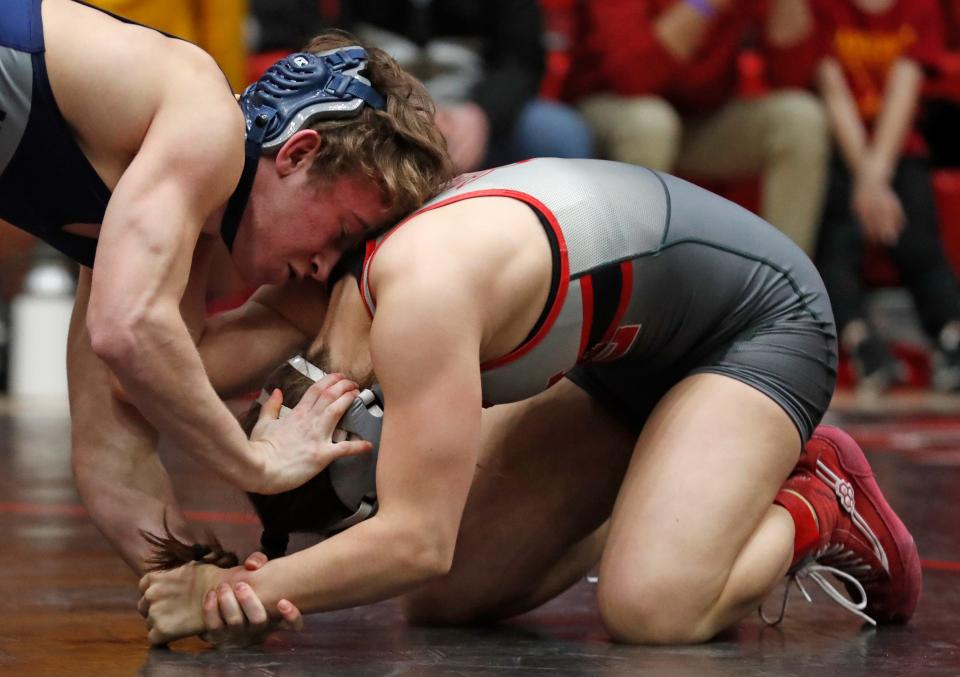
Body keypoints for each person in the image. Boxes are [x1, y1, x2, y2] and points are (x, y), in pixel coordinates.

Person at [137, 158, 920, 646]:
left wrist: (230, 593)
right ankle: (679, 495)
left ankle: (822, 497)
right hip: (630, 353)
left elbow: (414, 540)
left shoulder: (417, 298)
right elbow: (150, 353)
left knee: (654, 611)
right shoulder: (326, 293)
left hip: (755, 322)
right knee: (447, 601)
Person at [0, 0, 451, 573]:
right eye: (339, 233)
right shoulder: (204, 121)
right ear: (298, 152)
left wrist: (198, 586)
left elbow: (112, 455)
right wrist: (256, 462)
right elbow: (127, 331)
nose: (320, 266)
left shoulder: (157, 208)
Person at [559, 0, 828, 256]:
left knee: (800, 118)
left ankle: (786, 295)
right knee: (651, 123)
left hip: (699, 119)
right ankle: (640, 291)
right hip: (612, 109)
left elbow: (792, 76)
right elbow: (635, 75)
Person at [251, 0, 596, 172]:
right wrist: (388, 106)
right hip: (369, 105)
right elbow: (312, 42)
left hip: (475, 109)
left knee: (558, 133)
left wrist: (482, 116)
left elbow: (522, 60)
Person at [813, 0, 960, 392]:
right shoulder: (822, 7)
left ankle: (951, 334)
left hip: (896, 151)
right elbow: (833, 92)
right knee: (837, 244)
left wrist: (876, 177)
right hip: (839, 151)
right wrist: (866, 177)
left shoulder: (920, 7)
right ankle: (859, 341)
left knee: (920, 243)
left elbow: (905, 89)